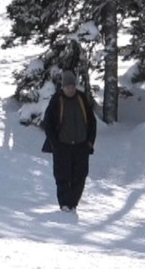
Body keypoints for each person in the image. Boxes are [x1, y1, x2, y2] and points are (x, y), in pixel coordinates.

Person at [41, 70, 97, 212]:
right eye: (68, 87)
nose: (71, 89)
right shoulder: (56, 101)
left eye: (72, 87)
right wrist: (55, 144)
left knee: (80, 176)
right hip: (62, 146)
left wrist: (90, 142)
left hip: (81, 146)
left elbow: (92, 122)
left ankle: (73, 203)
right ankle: (65, 204)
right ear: (63, 87)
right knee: (62, 176)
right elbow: (48, 124)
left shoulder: (82, 99)